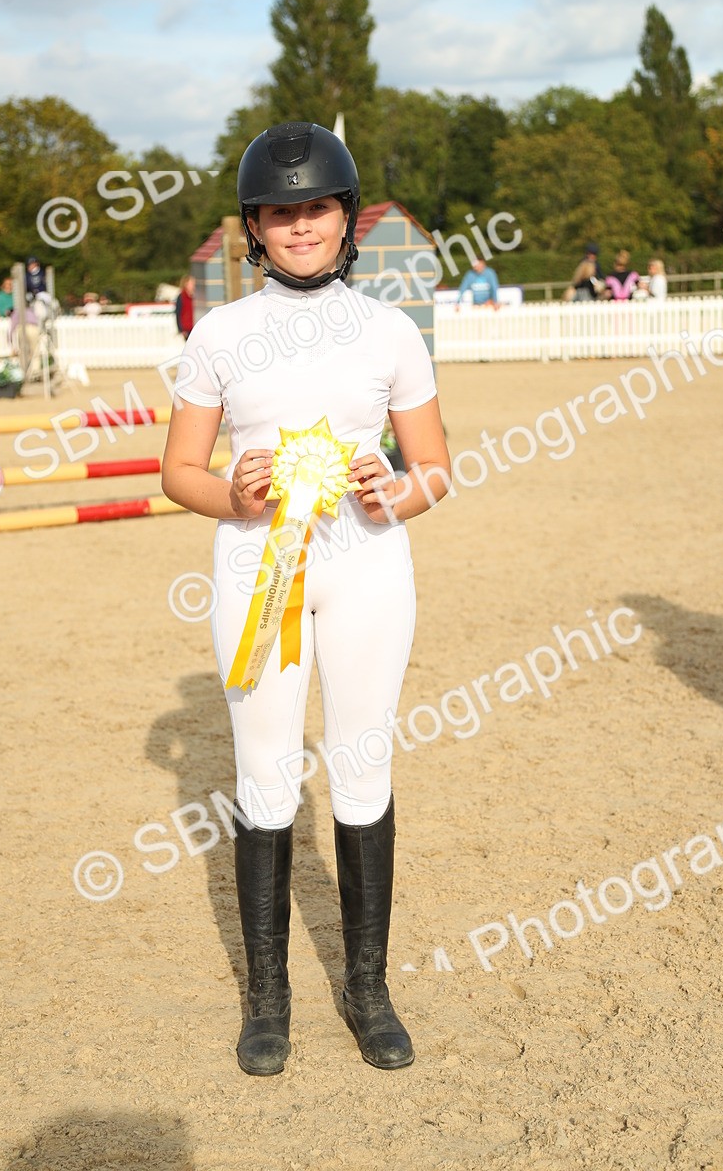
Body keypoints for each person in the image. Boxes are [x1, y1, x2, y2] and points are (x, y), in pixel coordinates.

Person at [161, 122, 451, 1077]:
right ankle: (269, 996)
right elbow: (177, 471)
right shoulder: (219, 333)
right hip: (257, 569)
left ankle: (369, 989)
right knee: (265, 776)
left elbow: (435, 467)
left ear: (345, 217)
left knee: (364, 765)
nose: (299, 225)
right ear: (254, 225)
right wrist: (234, 496)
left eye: (316, 207)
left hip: (368, 566)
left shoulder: (391, 330)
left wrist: (394, 490)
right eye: (279, 212)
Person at [175, 274, 195, 339]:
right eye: (191, 283)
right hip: (186, 329)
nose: (194, 285)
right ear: (186, 284)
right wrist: (181, 329)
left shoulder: (196, 296)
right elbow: (178, 314)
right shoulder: (181, 297)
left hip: (195, 327)